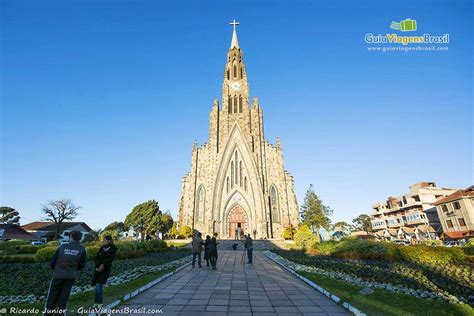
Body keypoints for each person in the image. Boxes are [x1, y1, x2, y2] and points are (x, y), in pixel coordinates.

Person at [44, 231, 87, 316]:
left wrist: (57, 269)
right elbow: (82, 265)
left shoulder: (62, 247)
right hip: (70, 276)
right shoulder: (82, 250)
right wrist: (73, 269)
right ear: (80, 238)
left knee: (52, 296)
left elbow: (52, 262)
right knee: (64, 297)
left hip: (58, 274)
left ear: (71, 237)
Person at [91, 235, 117, 308]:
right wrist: (97, 266)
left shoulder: (113, 249)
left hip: (105, 270)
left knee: (99, 285)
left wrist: (103, 265)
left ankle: (100, 303)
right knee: (96, 286)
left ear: (109, 241)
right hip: (98, 270)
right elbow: (97, 258)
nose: (103, 241)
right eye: (103, 240)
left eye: (105, 240)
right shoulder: (101, 248)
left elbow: (110, 259)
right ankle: (96, 302)